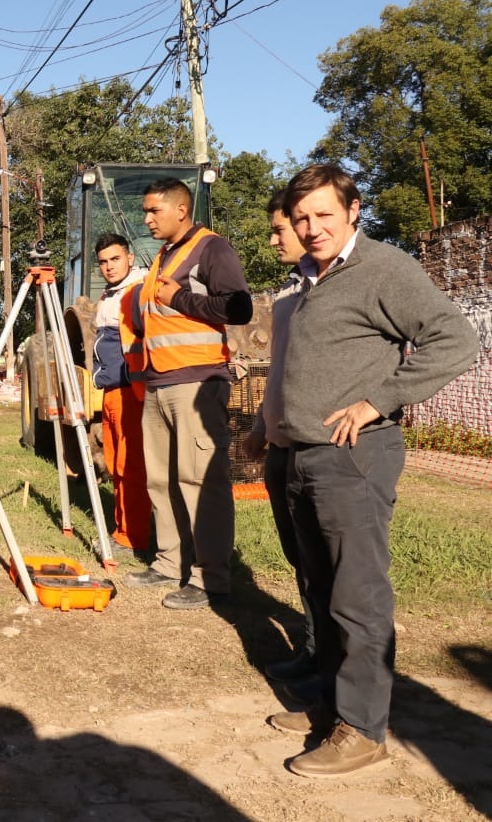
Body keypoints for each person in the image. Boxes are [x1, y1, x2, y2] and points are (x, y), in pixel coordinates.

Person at [268, 164, 477, 778]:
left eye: (324, 215)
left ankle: (362, 729)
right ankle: (333, 706)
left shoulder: (384, 268)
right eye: (302, 218)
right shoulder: (312, 277)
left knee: (357, 596)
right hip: (306, 454)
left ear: (354, 210)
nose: (311, 228)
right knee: (324, 591)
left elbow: (456, 339)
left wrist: (376, 400)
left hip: (355, 456)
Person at [124, 178, 252, 610]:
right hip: (160, 384)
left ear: (181, 209)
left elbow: (238, 307)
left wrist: (179, 297)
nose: (146, 219)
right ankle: (168, 562)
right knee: (161, 481)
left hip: (197, 384)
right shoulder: (163, 255)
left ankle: (209, 578)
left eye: (153, 211)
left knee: (201, 482)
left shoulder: (211, 249)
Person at [241, 191, 316, 685]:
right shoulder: (290, 291)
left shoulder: (333, 286)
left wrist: (376, 403)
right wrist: (261, 426)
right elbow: (281, 370)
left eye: (278, 230)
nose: (272, 240)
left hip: (321, 449)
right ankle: (316, 653)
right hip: (281, 443)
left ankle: (330, 664)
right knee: (299, 555)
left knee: (324, 562)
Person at [90, 233, 151, 556]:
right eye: (103, 262)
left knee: (132, 467)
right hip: (112, 389)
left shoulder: (138, 289)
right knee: (116, 465)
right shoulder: (110, 294)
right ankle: (122, 529)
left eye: (115, 259)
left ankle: (134, 536)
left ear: (129, 258)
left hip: (131, 390)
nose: (109, 266)